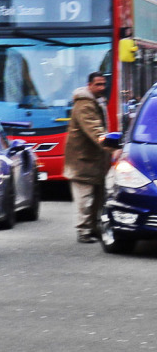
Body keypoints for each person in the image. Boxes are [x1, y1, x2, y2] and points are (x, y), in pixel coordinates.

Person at [64, 71, 114, 243]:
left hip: (93, 161)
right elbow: (95, 130)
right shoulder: (85, 105)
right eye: (98, 84)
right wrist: (111, 146)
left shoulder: (96, 102)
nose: (102, 88)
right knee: (85, 199)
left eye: (103, 84)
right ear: (89, 85)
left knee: (98, 198)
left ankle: (93, 228)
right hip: (82, 161)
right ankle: (84, 231)